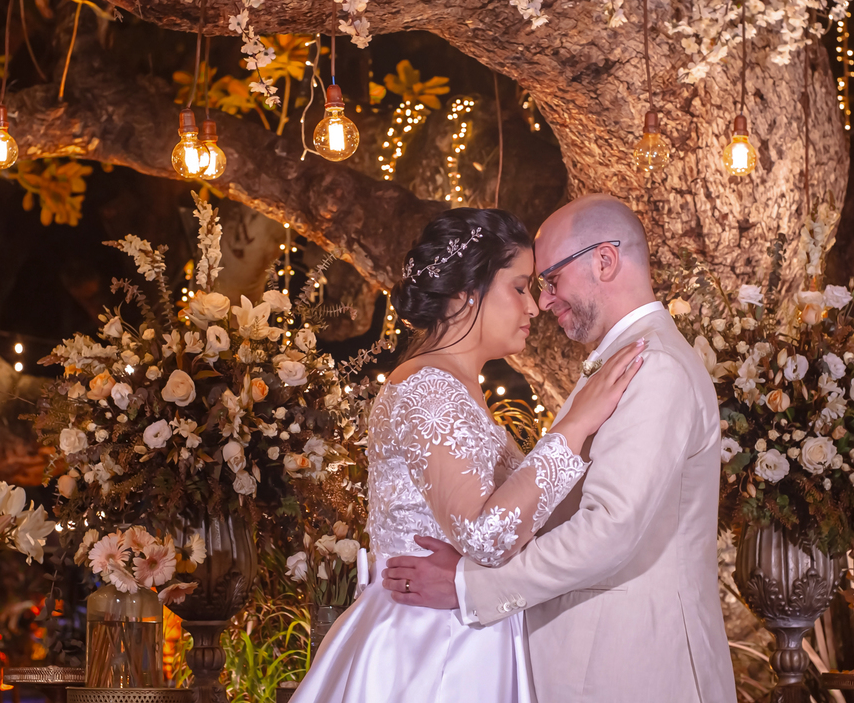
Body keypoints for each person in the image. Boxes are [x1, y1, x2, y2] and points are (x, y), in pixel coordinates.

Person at [382, 195, 737, 702]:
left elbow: (609, 528)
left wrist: (469, 588)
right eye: (529, 286)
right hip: (561, 658)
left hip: (631, 664)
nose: (542, 303)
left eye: (549, 281)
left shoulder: (652, 366)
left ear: (605, 260)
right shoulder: (619, 362)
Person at [289, 207, 645, 703]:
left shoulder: (458, 388)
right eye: (519, 287)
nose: (535, 307)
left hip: (469, 628)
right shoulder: (429, 388)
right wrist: (574, 425)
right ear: (464, 293)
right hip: (433, 647)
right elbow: (486, 535)